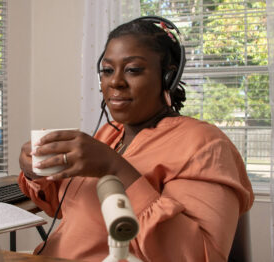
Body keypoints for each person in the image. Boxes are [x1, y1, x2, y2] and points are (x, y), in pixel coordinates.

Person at [18, 16, 254, 262]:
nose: (116, 82)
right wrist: (37, 173)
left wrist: (114, 168)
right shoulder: (109, 134)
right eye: (107, 70)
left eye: (132, 70)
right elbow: (68, 209)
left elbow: (199, 255)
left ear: (167, 77)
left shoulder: (205, 144)